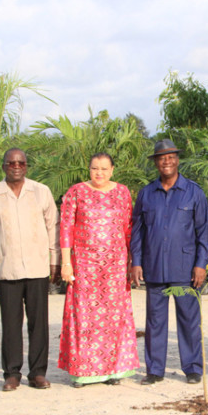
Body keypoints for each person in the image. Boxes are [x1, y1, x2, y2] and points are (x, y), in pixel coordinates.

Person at [0, 148, 60, 392]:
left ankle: (38, 373)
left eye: (21, 163)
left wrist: (54, 261)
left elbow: (52, 227)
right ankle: (12, 373)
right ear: (3, 166)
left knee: (39, 324)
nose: (16, 166)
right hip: (7, 269)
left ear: (26, 166)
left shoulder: (41, 192)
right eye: (11, 162)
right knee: (11, 324)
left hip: (37, 268)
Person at [130, 139, 208, 385]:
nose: (166, 161)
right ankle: (155, 370)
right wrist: (136, 262)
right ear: (156, 162)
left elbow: (203, 233)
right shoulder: (146, 194)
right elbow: (137, 231)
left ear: (177, 160)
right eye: (161, 158)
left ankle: (193, 368)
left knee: (188, 319)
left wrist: (200, 264)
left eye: (170, 157)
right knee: (155, 322)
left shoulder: (193, 192)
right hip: (154, 267)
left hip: (184, 269)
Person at [57, 153, 138, 387]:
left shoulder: (122, 192)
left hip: (115, 266)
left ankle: (113, 370)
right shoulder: (76, 192)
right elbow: (66, 228)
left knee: (113, 319)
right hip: (84, 266)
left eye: (104, 168)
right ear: (88, 169)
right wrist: (66, 262)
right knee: (85, 317)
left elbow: (127, 228)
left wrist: (131, 262)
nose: (99, 173)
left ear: (112, 170)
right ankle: (83, 372)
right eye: (94, 168)